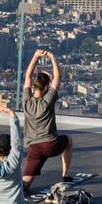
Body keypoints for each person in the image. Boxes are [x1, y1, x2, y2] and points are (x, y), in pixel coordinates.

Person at [18, 49, 72, 189]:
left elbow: (28, 77)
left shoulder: (26, 101)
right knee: (69, 141)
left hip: (33, 147)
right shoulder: (48, 100)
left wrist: (35, 56)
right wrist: (53, 57)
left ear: (35, 86)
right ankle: (65, 175)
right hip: (50, 144)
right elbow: (57, 77)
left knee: (25, 184)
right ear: (46, 87)